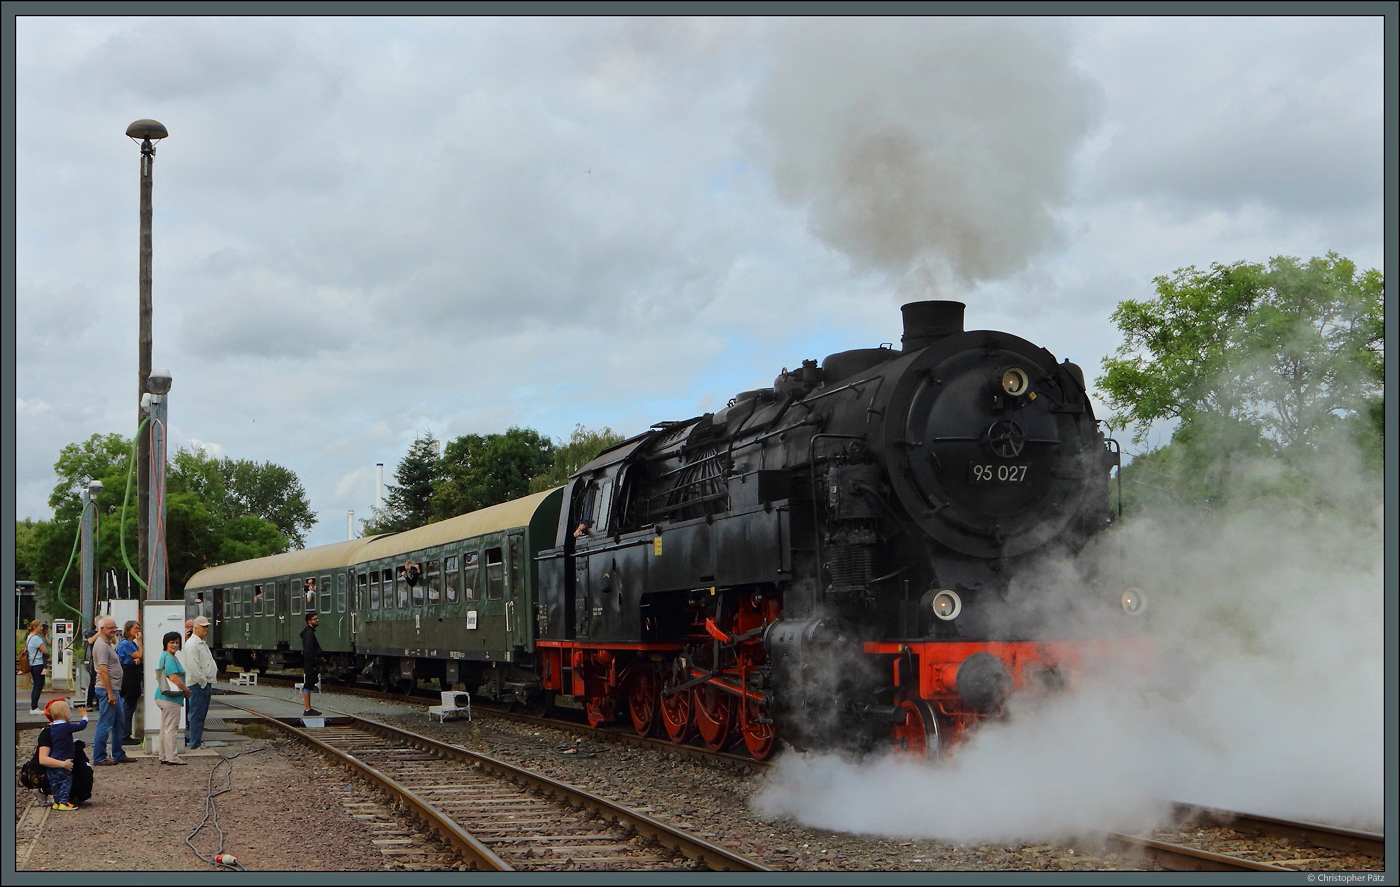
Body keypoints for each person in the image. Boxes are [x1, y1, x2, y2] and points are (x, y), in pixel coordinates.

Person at [90, 616, 133, 765]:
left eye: (115, 627)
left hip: (113, 689)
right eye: (110, 628)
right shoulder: (101, 645)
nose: (114, 630)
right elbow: (102, 670)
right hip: (107, 689)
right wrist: (109, 692)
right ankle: (99, 757)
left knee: (118, 723)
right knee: (105, 723)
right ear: (102, 630)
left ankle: (118, 753)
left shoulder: (107, 643)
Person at [39, 699, 88, 810]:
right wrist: (84, 716)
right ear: (66, 715)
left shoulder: (51, 729)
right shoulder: (66, 727)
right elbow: (81, 726)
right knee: (65, 782)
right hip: (64, 759)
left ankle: (56, 802)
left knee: (55, 783)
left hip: (53, 760)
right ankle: (64, 802)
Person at [153, 631, 191, 765]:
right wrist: (186, 690)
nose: (174, 645)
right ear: (166, 643)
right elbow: (173, 677)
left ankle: (163, 755)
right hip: (170, 698)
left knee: (164, 728)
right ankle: (172, 757)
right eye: (171, 642)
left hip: (161, 696)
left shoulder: (164, 656)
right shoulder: (169, 658)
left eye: (176, 642)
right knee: (171, 728)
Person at [183, 615, 219, 749]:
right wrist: (203, 682)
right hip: (197, 685)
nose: (206, 629)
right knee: (196, 714)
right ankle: (195, 743)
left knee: (200, 714)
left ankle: (196, 741)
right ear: (196, 628)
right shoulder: (193, 644)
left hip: (203, 684)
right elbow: (193, 666)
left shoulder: (200, 643)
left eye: (207, 627)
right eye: (203, 627)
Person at [117, 620, 144, 744]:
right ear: (129, 630)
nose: (138, 631)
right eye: (136, 628)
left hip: (133, 672)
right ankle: (124, 734)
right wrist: (140, 642)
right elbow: (139, 654)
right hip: (128, 675)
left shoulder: (130, 643)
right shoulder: (125, 644)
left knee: (131, 704)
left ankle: (125, 733)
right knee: (128, 704)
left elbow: (137, 656)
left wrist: (137, 659)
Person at [300, 612, 323, 718]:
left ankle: (308, 708)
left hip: (310, 662)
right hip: (310, 663)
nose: (317, 620)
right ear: (309, 621)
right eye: (314, 619)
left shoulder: (308, 632)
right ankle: (307, 709)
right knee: (308, 684)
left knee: (309, 684)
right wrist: (314, 662)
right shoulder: (309, 633)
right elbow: (309, 650)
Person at [25, 619, 50, 714]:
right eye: (40, 626)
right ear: (35, 627)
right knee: (38, 686)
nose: (42, 627)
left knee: (37, 685)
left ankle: (34, 706)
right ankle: (34, 707)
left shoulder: (29, 637)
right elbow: (45, 650)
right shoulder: (36, 638)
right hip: (38, 664)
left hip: (33, 664)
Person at [83, 615, 102, 707]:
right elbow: (90, 641)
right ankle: (89, 703)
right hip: (95, 659)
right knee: (93, 681)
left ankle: (99, 703)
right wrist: (99, 632)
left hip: (103, 659)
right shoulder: (91, 633)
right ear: (95, 623)